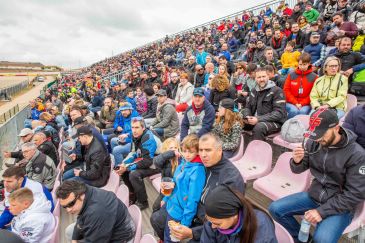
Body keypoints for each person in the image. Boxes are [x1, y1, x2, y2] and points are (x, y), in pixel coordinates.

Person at [269, 108, 365, 243]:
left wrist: (321, 212)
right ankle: (303, 240)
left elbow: (354, 194)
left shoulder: (357, 155)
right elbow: (298, 169)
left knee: (322, 240)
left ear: (336, 128)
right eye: (315, 133)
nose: (318, 138)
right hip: (314, 196)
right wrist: (297, 161)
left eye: (321, 133)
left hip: (341, 207)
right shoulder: (314, 141)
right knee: (275, 209)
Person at [151, 133, 245, 242]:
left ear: (219, 150)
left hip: (207, 224)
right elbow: (179, 178)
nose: (203, 155)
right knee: (156, 218)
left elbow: (225, 223)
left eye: (208, 150)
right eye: (201, 150)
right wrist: (171, 187)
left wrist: (192, 233)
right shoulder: (199, 164)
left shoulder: (231, 179)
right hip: (186, 209)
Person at [155, 134, 206, 242]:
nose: (187, 155)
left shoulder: (197, 171)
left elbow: (192, 200)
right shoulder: (184, 162)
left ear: (197, 151)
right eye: (184, 151)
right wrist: (165, 198)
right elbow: (175, 182)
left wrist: (185, 224)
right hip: (171, 205)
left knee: (171, 238)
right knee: (166, 232)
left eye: (191, 152)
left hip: (179, 212)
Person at [58, 180, 136, 243]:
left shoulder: (96, 212)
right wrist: (74, 239)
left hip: (123, 236)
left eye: (71, 204)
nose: (68, 210)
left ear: (80, 195)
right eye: (64, 207)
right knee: (70, 231)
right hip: (106, 226)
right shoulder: (86, 191)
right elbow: (81, 216)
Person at [201, 185, 277, 243]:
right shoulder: (213, 220)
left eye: (218, 224)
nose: (213, 226)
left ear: (234, 216)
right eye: (209, 220)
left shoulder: (261, 225)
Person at [115, 117, 159, 210]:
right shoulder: (135, 135)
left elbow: (147, 162)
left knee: (134, 174)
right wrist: (124, 163)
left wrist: (128, 167)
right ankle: (133, 193)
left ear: (143, 128)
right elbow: (134, 152)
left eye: (137, 127)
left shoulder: (148, 138)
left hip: (158, 163)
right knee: (123, 169)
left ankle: (143, 202)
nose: (134, 130)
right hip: (148, 159)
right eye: (132, 127)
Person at [242, 68, 287, 140]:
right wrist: (247, 117)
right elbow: (248, 107)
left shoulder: (277, 91)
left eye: (263, 76)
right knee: (236, 121)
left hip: (275, 122)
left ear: (268, 77)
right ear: (255, 79)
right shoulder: (254, 90)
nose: (261, 79)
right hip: (256, 119)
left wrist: (258, 119)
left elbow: (279, 113)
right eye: (259, 77)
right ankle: (236, 149)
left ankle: (257, 150)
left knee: (259, 127)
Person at [283, 53, 317, 118]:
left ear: (309, 63)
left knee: (302, 111)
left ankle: (301, 127)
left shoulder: (315, 77)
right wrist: (295, 102)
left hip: (306, 104)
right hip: (291, 102)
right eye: (300, 64)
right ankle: (289, 126)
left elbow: (313, 94)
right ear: (298, 63)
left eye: (304, 64)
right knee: (293, 111)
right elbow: (286, 90)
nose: (302, 67)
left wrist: (302, 103)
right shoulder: (291, 75)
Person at [152, 137, 180, 211]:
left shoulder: (180, 161)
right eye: (171, 148)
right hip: (165, 189)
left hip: (175, 191)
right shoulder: (165, 161)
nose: (174, 150)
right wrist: (171, 153)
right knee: (155, 207)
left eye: (175, 148)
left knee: (159, 209)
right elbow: (156, 162)